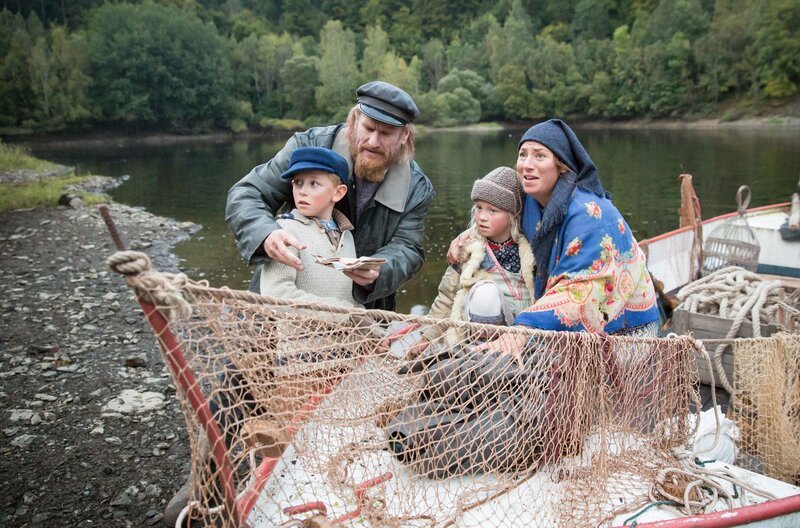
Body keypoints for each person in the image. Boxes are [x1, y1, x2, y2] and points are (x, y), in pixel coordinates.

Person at [226, 81, 435, 311]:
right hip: (281, 309)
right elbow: (247, 193)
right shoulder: (308, 146)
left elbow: (408, 248)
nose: (374, 142)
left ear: (404, 135)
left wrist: (380, 271)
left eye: (385, 134)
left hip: (356, 316)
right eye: (368, 129)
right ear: (354, 122)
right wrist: (265, 233)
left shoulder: (417, 187)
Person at [450, 119, 660, 341]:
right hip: (561, 317)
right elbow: (499, 216)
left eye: (540, 156)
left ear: (561, 165)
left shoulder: (591, 214)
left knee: (524, 358)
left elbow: (579, 296)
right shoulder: (531, 200)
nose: (526, 165)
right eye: (523, 155)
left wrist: (522, 331)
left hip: (625, 331)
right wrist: (466, 238)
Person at [410, 166, 534, 356]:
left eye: (493, 210)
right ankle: (480, 358)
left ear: (513, 215)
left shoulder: (531, 249)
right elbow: (446, 296)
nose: (482, 217)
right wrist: (426, 338)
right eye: (478, 208)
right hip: (478, 332)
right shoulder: (467, 249)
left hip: (524, 332)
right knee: (485, 292)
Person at [259, 146, 360, 308]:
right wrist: (346, 315)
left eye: (314, 183)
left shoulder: (347, 234)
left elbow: (350, 300)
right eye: (298, 183)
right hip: (297, 333)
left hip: (344, 332)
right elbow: (276, 295)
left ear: (338, 193)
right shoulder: (284, 232)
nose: (302, 191)